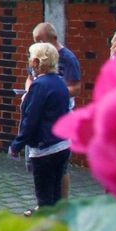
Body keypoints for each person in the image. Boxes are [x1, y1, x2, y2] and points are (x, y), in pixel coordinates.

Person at [9, 42, 72, 213]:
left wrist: (17, 145)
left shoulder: (39, 85)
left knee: (44, 200)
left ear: (36, 62)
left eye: (30, 58)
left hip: (45, 149)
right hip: (63, 145)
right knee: (56, 197)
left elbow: (31, 119)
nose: (29, 61)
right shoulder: (60, 82)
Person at [26, 22, 81, 199]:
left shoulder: (68, 58)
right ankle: (44, 201)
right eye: (35, 41)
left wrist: (50, 92)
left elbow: (76, 87)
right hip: (40, 113)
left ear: (52, 39)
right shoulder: (36, 55)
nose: (37, 44)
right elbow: (29, 78)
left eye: (40, 40)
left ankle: (61, 204)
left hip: (60, 114)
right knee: (38, 165)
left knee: (60, 164)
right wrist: (30, 90)